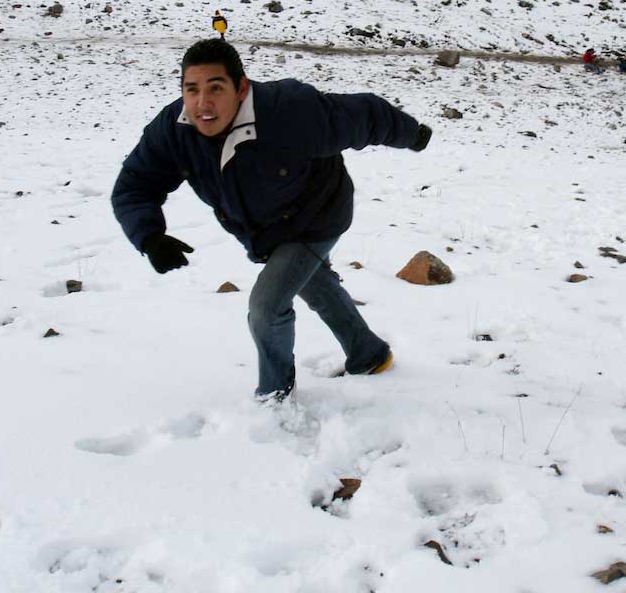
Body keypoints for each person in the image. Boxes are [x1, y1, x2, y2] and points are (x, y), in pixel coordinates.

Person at [111, 38, 432, 401]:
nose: (203, 103)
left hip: (318, 215)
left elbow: (365, 115)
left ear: (241, 87)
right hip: (264, 230)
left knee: (267, 306)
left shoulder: (290, 111)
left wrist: (412, 134)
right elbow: (134, 185)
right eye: (192, 89)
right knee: (313, 283)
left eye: (216, 88)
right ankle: (369, 354)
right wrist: (150, 236)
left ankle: (274, 394)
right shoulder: (174, 130)